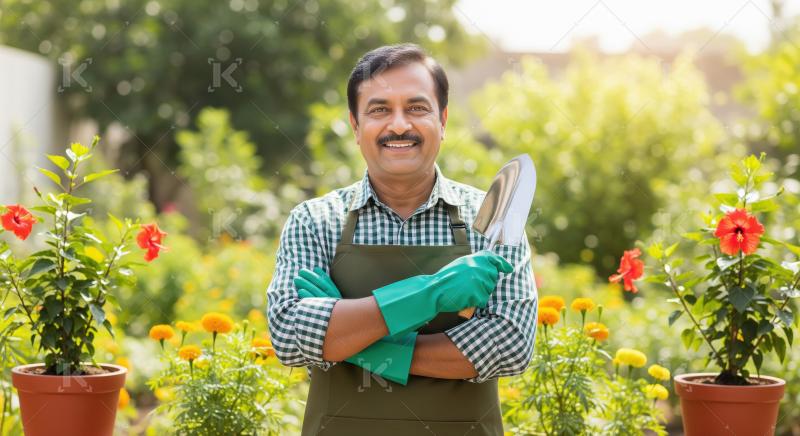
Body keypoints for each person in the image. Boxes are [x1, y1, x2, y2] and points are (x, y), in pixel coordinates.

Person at [267, 43, 538, 436]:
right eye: (379, 110)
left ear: (442, 120)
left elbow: (510, 346)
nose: (398, 125)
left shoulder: (488, 222)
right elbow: (291, 336)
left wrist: (361, 344)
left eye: (417, 108)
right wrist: (431, 293)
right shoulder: (316, 220)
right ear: (356, 125)